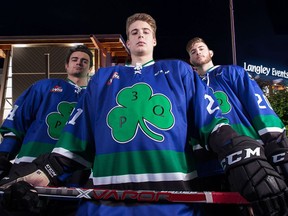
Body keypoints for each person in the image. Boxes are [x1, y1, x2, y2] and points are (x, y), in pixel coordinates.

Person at [1, 13, 288, 216]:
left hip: (176, 203)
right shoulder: (102, 79)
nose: (140, 35)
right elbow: (74, 144)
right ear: (127, 41)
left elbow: (212, 124)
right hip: (104, 205)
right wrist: (43, 172)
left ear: (154, 40)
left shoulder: (179, 71)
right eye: (134, 32)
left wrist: (241, 154)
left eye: (146, 31)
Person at [0, 44, 94, 215]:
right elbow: (18, 121)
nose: (79, 63)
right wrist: (3, 155)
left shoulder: (95, 97)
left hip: (74, 173)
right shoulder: (43, 87)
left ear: (90, 67)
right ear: (66, 65)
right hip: (29, 167)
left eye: (84, 61)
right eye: (74, 59)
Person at [186, 37, 288, 182]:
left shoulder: (232, 72)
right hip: (209, 164)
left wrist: (276, 140)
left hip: (248, 155)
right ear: (190, 60)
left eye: (201, 48)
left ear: (211, 52)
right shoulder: (191, 87)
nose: (198, 52)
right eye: (193, 51)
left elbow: (257, 103)